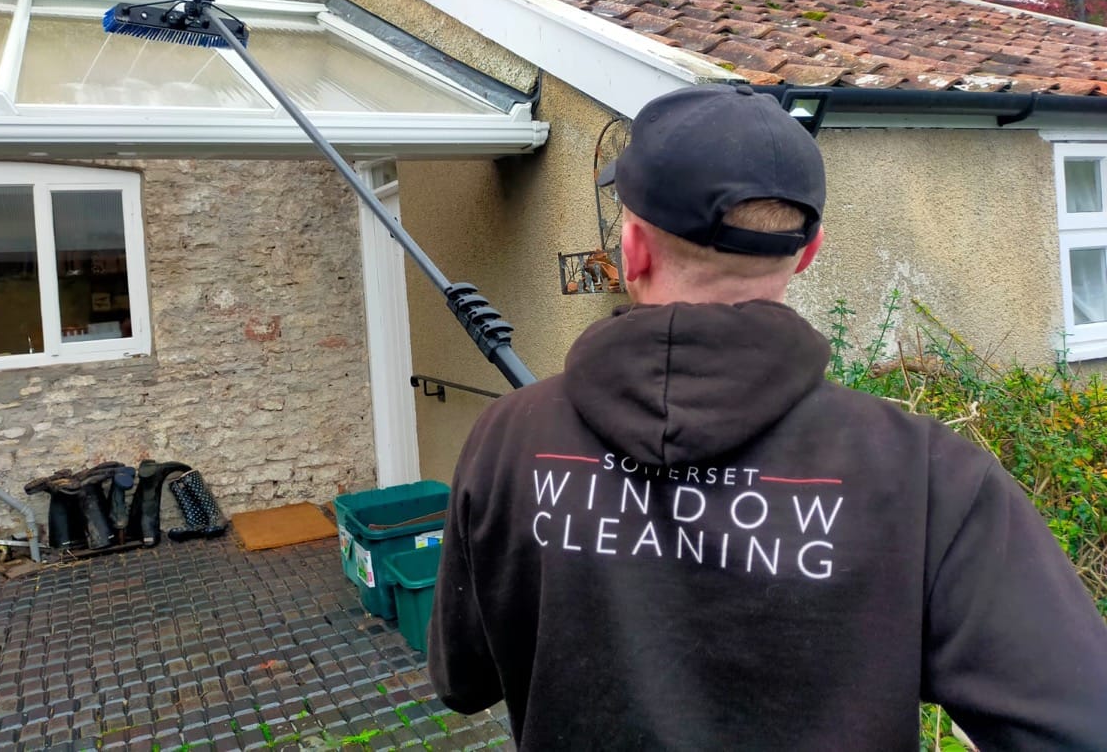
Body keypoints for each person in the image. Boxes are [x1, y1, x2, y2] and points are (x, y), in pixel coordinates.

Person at [427, 84, 1107, 751]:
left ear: (631, 250)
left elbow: (463, 680)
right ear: (807, 254)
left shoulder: (508, 438)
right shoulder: (928, 475)